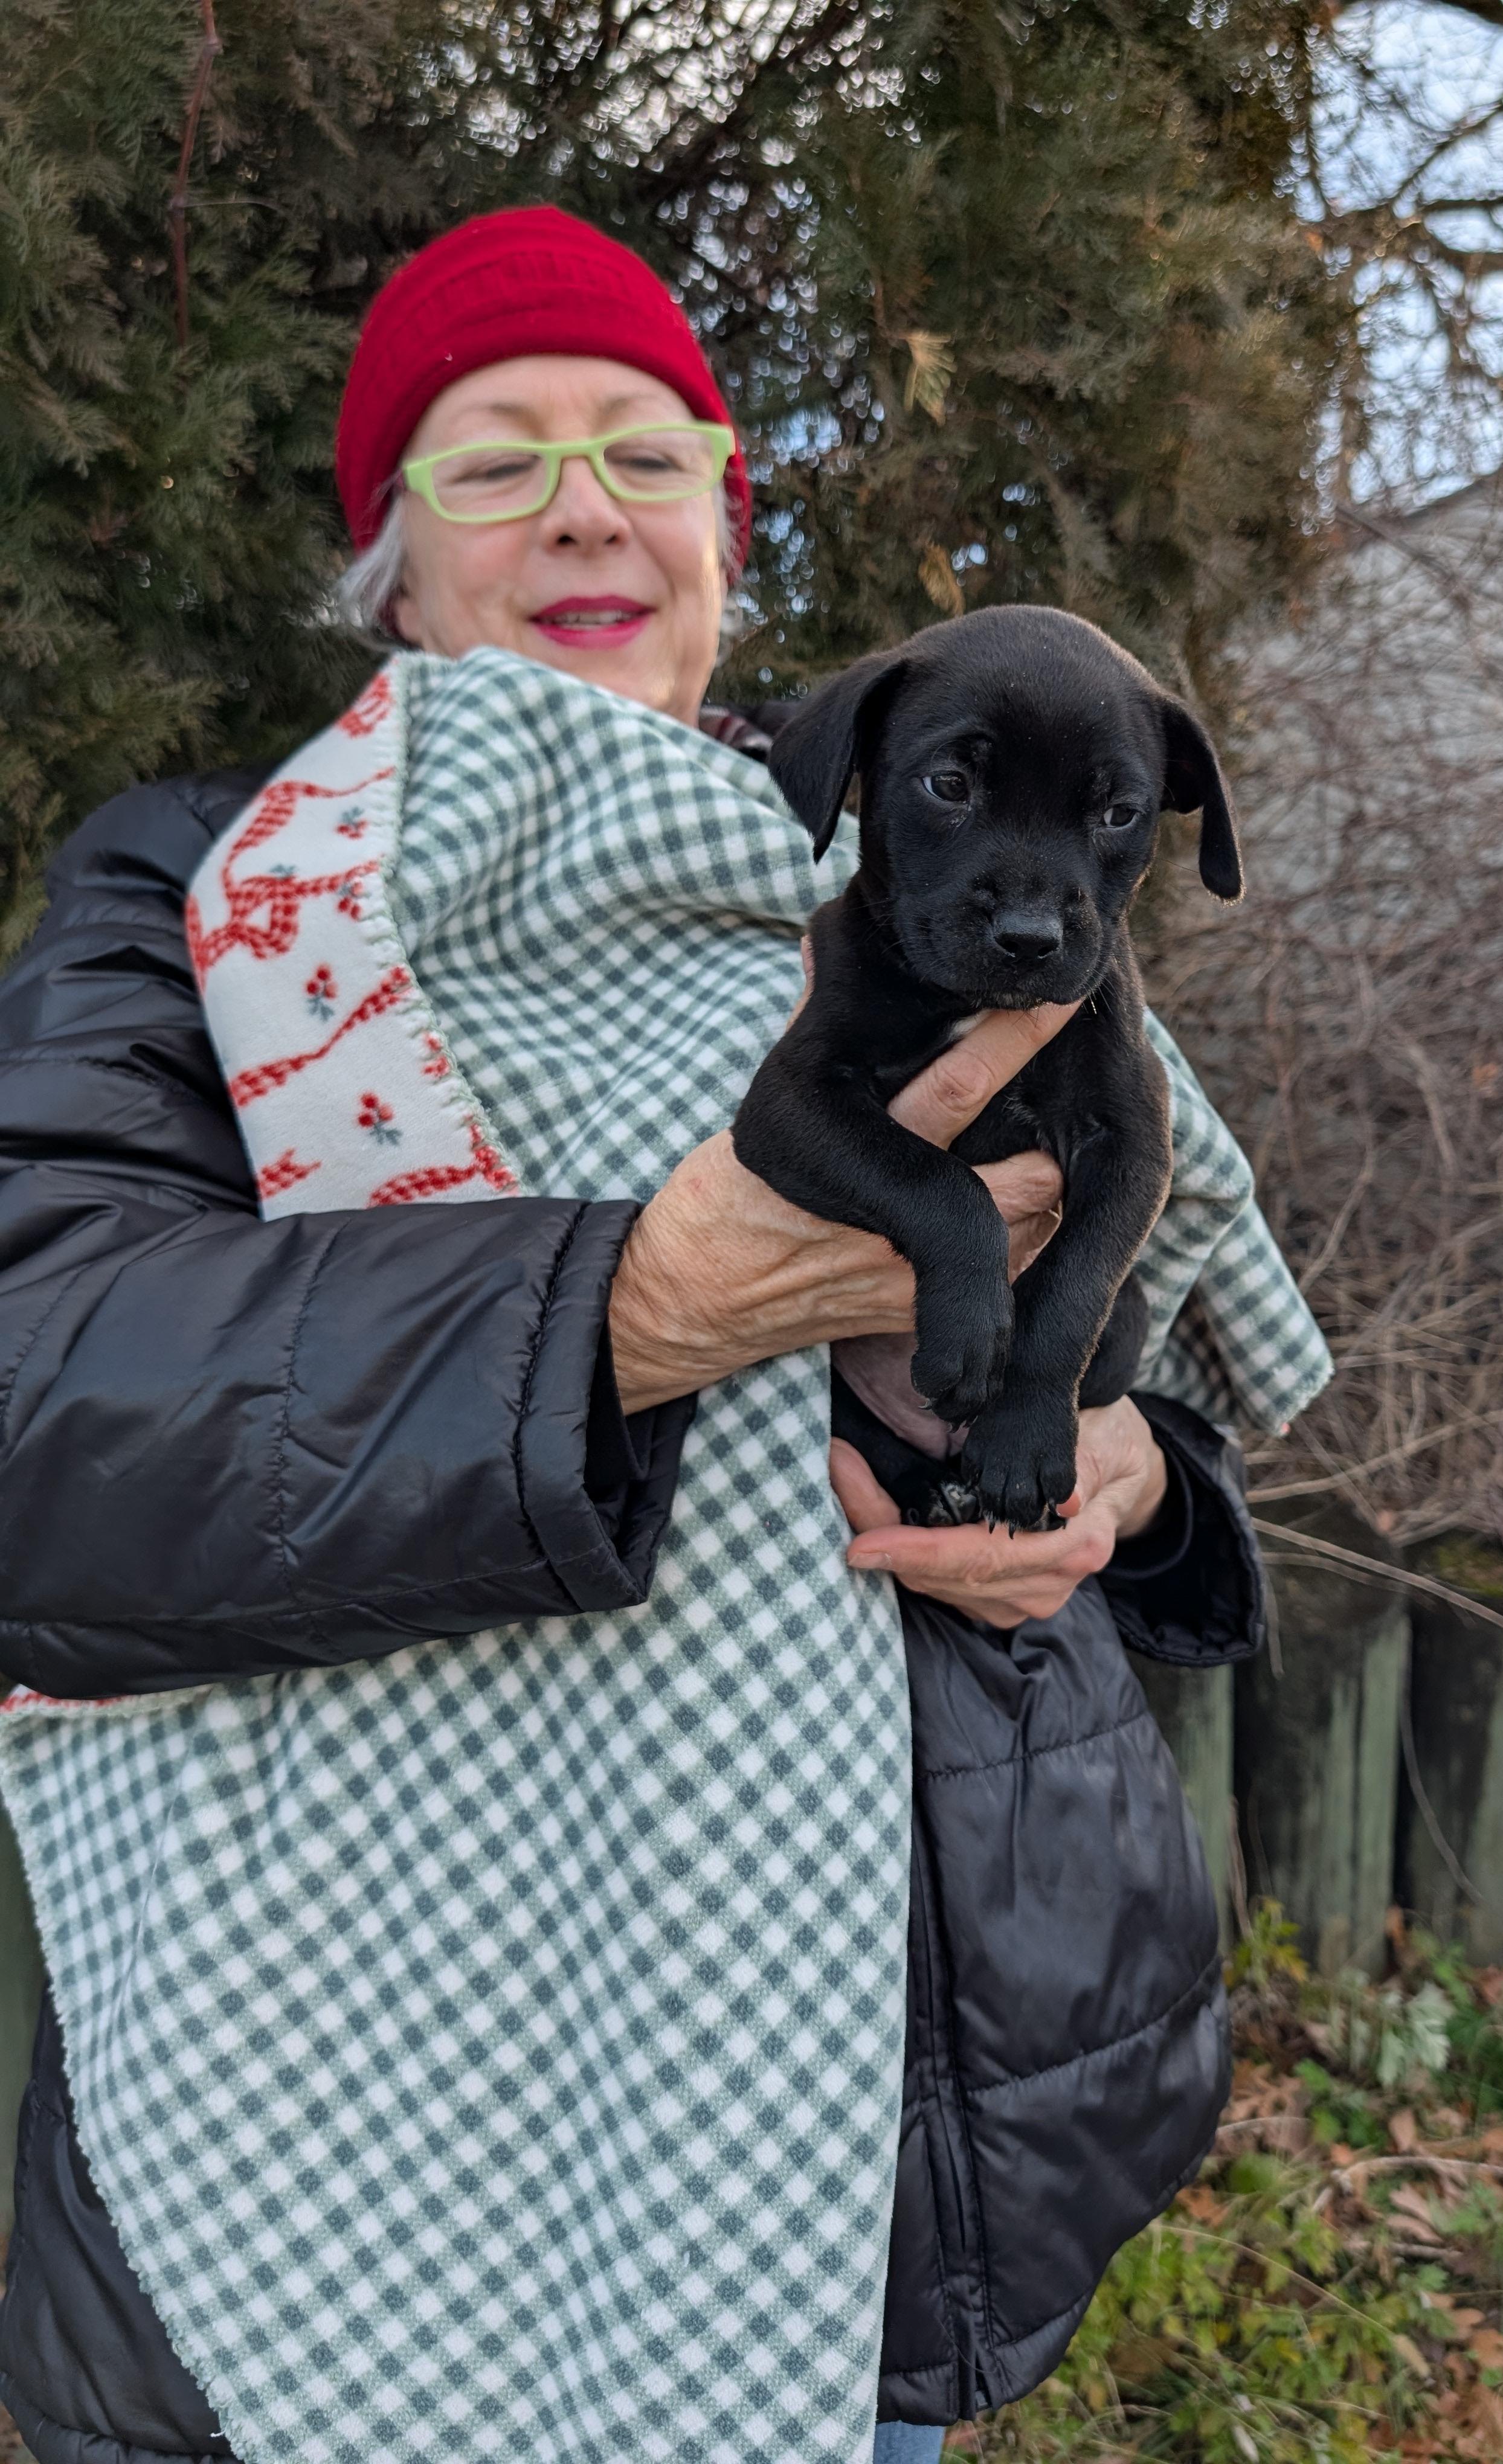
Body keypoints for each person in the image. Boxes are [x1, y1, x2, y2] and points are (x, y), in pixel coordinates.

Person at [0, 209, 1331, 2464]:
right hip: (356, 2107)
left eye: (643, 450)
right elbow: (42, 1410)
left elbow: (1146, 1308)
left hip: (872, 2165)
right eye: (493, 461)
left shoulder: (897, 850)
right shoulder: (222, 898)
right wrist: (640, 1310)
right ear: (387, 567)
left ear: (728, 520)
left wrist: (1120, 1471)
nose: (583, 507)